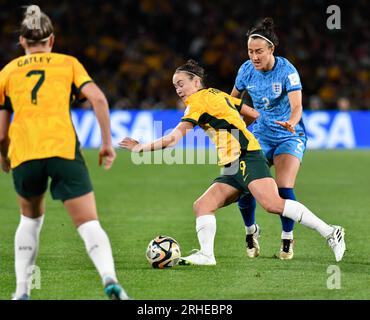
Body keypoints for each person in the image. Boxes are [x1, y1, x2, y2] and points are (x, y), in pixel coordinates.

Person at [120, 59, 346, 266]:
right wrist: (235, 131)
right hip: (233, 161)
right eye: (175, 86)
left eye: (181, 84)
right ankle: (207, 255)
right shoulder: (218, 94)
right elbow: (253, 114)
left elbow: (172, 140)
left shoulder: (196, 103)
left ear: (196, 81)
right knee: (202, 206)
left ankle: (330, 232)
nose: (178, 89)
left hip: (246, 155)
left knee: (272, 204)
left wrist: (140, 147)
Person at [0, 6, 129, 300]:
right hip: (62, 149)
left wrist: (4, 156)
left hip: (25, 152)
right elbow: (97, 97)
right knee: (88, 223)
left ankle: (21, 291)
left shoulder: (7, 72)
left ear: (22, 42)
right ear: (52, 40)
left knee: (30, 220)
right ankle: (110, 280)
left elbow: (2, 133)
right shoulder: (67, 63)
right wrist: (107, 142)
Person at [231, 18, 307, 260]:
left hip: (288, 135)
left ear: (271, 49)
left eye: (259, 52)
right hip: (260, 135)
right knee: (244, 187)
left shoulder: (287, 71)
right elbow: (233, 102)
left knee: (284, 188)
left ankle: (287, 239)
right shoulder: (245, 70)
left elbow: (297, 107)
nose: (254, 56)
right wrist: (233, 127)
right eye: (250, 51)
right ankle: (250, 230)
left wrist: (291, 123)